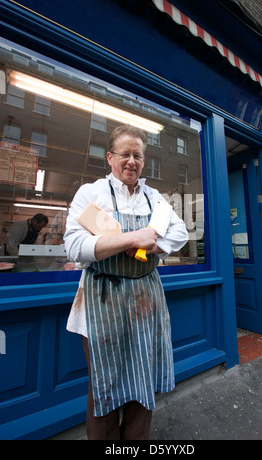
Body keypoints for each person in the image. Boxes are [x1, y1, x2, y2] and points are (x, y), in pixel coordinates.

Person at [64, 124, 189, 440]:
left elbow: (179, 233)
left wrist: (152, 244)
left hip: (144, 299)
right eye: (125, 154)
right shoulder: (91, 193)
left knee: (141, 376)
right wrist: (133, 237)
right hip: (100, 298)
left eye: (138, 155)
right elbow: (75, 246)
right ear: (110, 157)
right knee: (105, 380)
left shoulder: (154, 198)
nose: (132, 161)